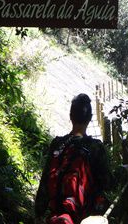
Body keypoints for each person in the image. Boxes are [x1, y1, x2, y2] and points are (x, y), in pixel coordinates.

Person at [35, 93, 113, 224]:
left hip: (54, 213)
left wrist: (38, 213)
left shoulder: (57, 144)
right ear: (90, 119)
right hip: (82, 216)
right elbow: (108, 183)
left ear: (70, 116)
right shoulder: (95, 147)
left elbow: (45, 179)